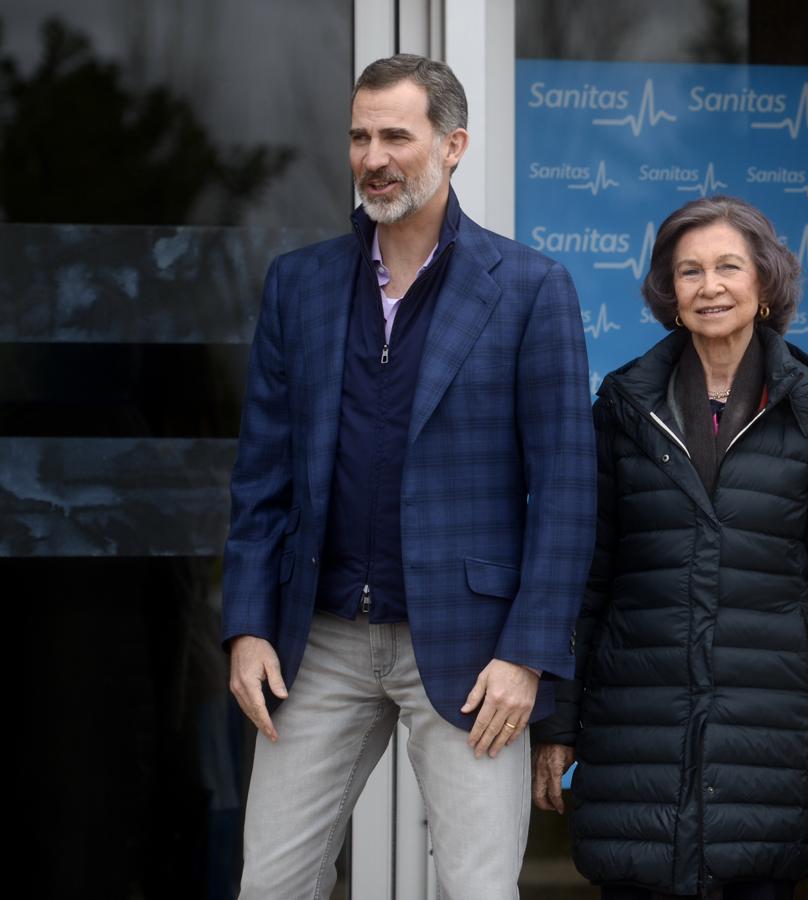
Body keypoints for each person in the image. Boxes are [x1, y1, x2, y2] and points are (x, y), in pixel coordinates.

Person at [221, 54, 595, 899]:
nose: (374, 157)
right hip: (317, 642)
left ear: (453, 145)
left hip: (472, 653)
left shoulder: (530, 288)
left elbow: (566, 491)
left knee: (477, 889)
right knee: (271, 884)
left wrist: (528, 654)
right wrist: (247, 623)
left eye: (397, 134)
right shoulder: (301, 285)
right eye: (360, 136)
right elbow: (261, 476)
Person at [530, 195, 808, 900]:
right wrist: (557, 725)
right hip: (636, 734)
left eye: (727, 267)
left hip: (770, 737)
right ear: (668, 291)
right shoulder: (624, 408)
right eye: (689, 272)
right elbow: (587, 580)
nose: (709, 286)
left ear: (764, 282)